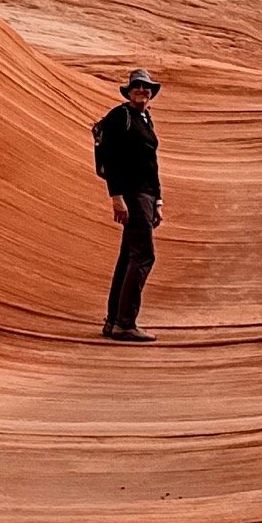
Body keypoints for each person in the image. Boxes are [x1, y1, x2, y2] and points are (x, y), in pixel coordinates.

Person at [93, 68, 163, 342]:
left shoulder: (145, 119)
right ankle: (126, 322)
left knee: (128, 258)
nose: (142, 90)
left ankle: (113, 321)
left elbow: (152, 163)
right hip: (131, 195)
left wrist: (158, 200)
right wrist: (116, 197)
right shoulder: (119, 116)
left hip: (145, 195)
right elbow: (110, 158)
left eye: (146, 87)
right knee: (144, 255)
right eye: (137, 86)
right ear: (128, 90)